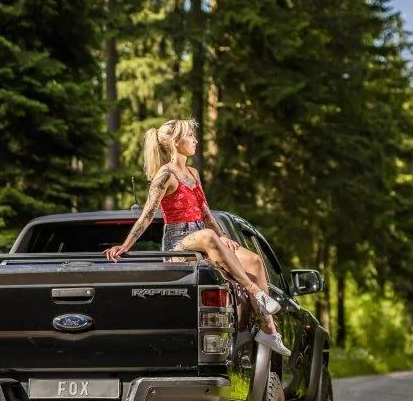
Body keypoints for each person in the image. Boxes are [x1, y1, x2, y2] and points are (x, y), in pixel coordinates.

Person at [103, 118, 291, 357]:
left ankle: (269, 331)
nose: (195, 140)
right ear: (175, 142)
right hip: (178, 244)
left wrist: (224, 237)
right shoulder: (165, 175)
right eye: (190, 136)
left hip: (204, 235)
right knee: (207, 236)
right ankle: (256, 293)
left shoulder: (193, 173)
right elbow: (148, 215)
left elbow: (206, 213)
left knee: (253, 260)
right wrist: (125, 245)